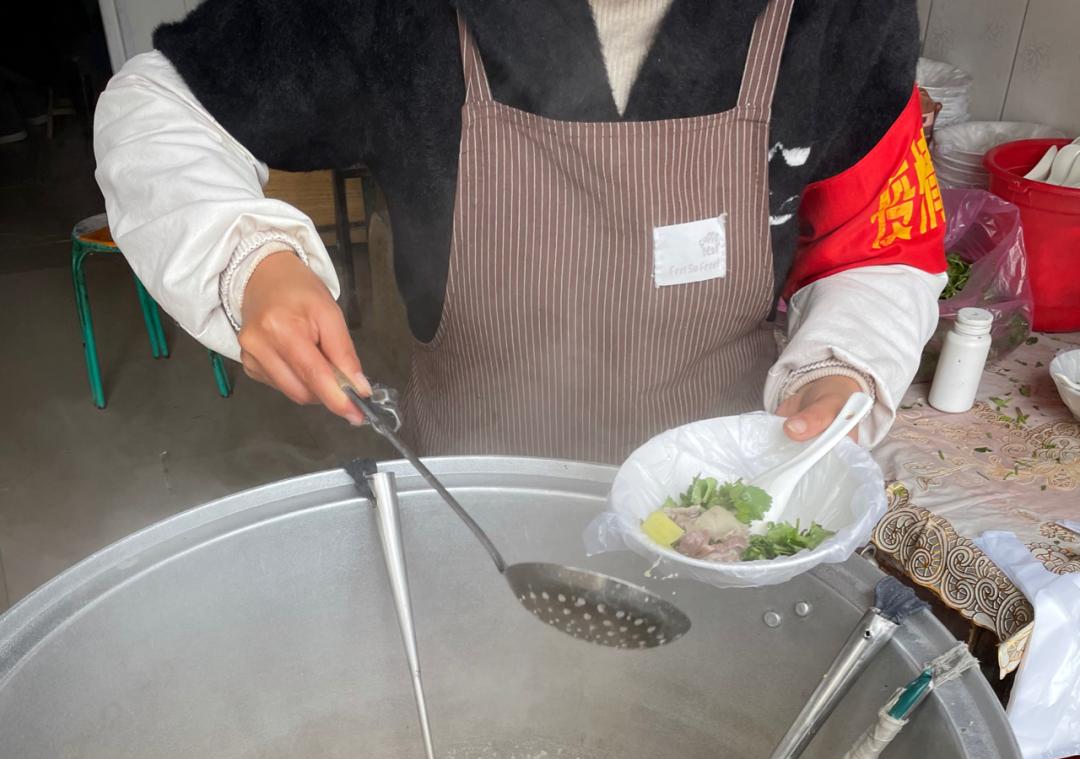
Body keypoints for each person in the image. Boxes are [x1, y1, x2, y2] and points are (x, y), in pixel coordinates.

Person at [94, 0, 946, 463]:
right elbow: (160, 104)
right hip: (475, 497)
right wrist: (248, 260)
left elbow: (881, 244)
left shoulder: (842, 18)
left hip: (728, 501)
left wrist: (842, 371)